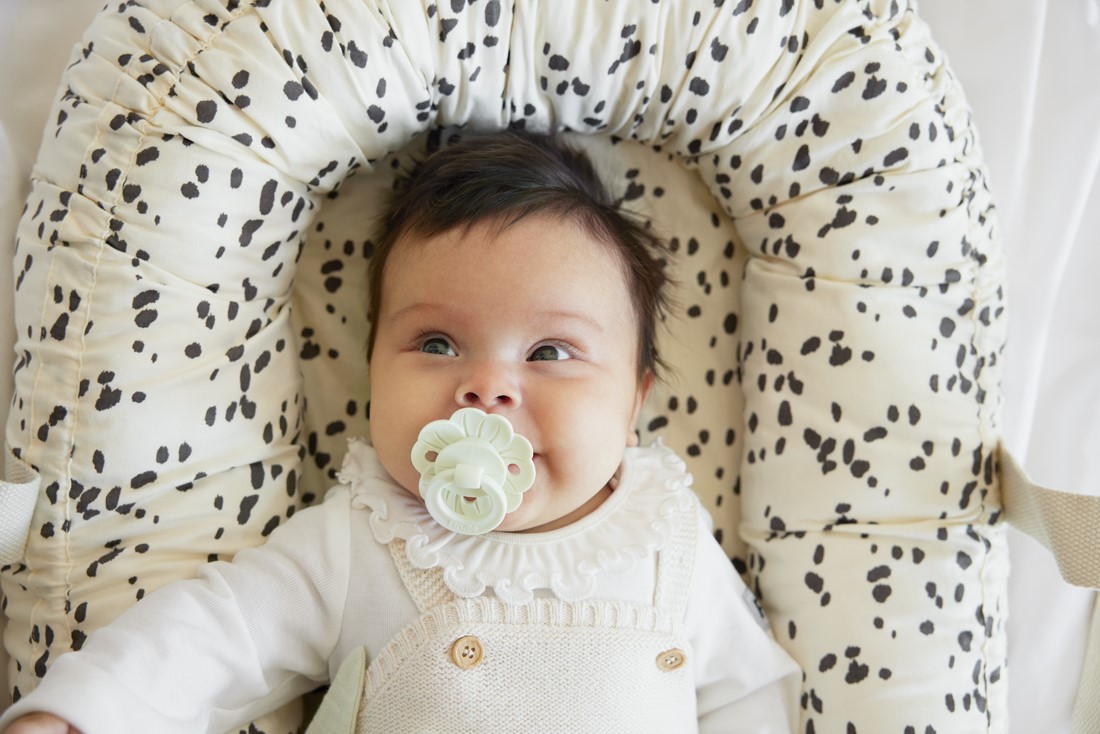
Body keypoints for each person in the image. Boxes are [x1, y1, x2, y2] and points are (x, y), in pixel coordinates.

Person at [0, 131, 800, 733]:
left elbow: (751, 696)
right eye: (437, 344)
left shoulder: (669, 538)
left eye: (550, 352)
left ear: (633, 404)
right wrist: (86, 709)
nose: (487, 387)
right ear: (371, 373)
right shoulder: (364, 536)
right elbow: (219, 633)